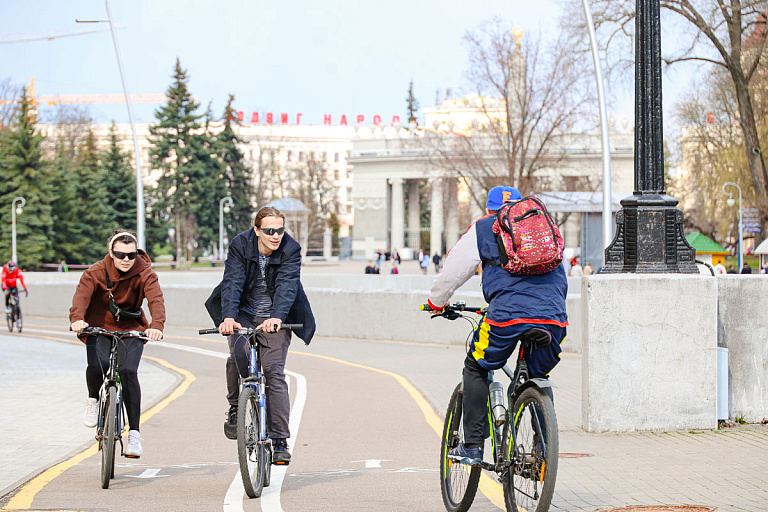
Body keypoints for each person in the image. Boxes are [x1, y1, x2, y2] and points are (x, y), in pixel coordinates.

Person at [426, 185, 567, 465]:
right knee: (538, 375)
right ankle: (544, 449)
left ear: (490, 210)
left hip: (507, 316)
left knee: (476, 365)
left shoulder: (485, 227)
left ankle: (472, 447)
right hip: (554, 318)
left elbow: (453, 271)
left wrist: (436, 302)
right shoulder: (542, 227)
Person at [213, 206, 315, 465]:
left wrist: (278, 317)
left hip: (275, 317)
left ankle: (280, 440)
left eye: (280, 230)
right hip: (244, 312)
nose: (275, 235)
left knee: (274, 372)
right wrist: (228, 318)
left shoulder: (290, 249)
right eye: (269, 230)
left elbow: (287, 285)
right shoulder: (240, 244)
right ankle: (236, 406)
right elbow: (232, 281)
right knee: (237, 354)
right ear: (256, 230)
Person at [69, 230, 165, 458]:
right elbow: (81, 297)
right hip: (97, 327)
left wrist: (157, 325)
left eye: (131, 255)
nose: (126, 260)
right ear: (110, 253)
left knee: (129, 371)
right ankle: (93, 399)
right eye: (120, 254)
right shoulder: (95, 272)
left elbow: (155, 299)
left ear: (136, 254)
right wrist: (77, 319)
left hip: (131, 329)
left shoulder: (145, 273)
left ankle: (134, 434)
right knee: (97, 365)